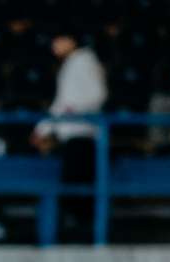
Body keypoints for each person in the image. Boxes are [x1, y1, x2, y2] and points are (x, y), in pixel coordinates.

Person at [32, 29, 107, 243]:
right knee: (71, 186)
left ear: (71, 40)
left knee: (79, 187)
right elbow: (61, 103)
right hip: (71, 135)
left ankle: (86, 232)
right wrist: (43, 128)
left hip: (83, 134)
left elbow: (97, 95)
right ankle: (76, 229)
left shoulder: (84, 60)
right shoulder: (71, 63)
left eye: (59, 40)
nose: (54, 46)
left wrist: (72, 110)